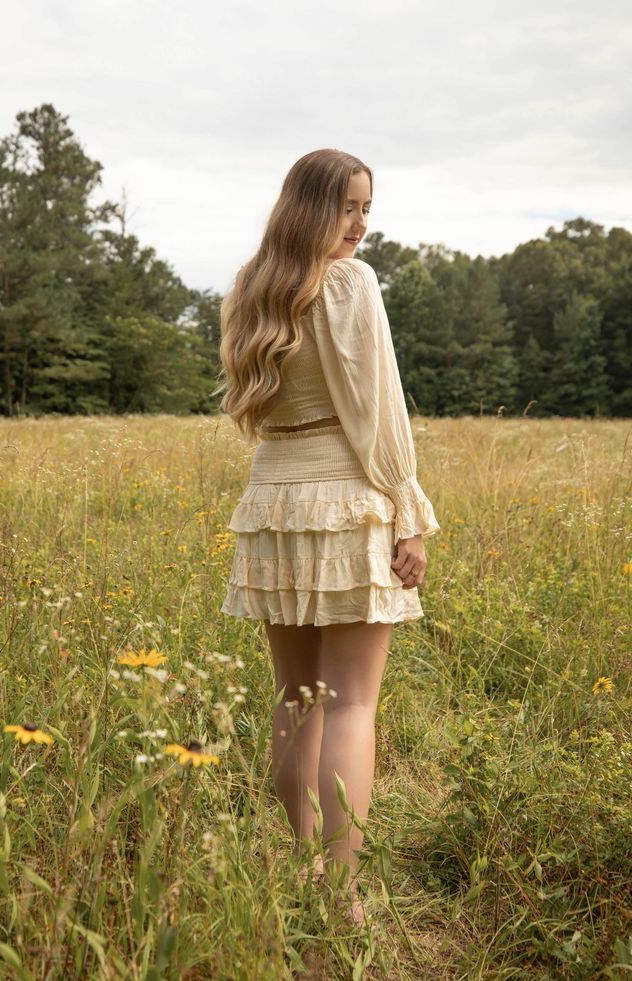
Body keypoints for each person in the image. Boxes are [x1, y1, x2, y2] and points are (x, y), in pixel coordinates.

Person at [213, 149, 440, 926]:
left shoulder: (251, 289)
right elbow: (381, 409)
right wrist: (408, 508)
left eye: (366, 208)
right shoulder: (349, 283)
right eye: (347, 206)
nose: (361, 224)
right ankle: (338, 901)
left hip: (274, 498)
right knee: (350, 704)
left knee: (296, 699)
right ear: (311, 208)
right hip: (345, 496)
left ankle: (299, 872)